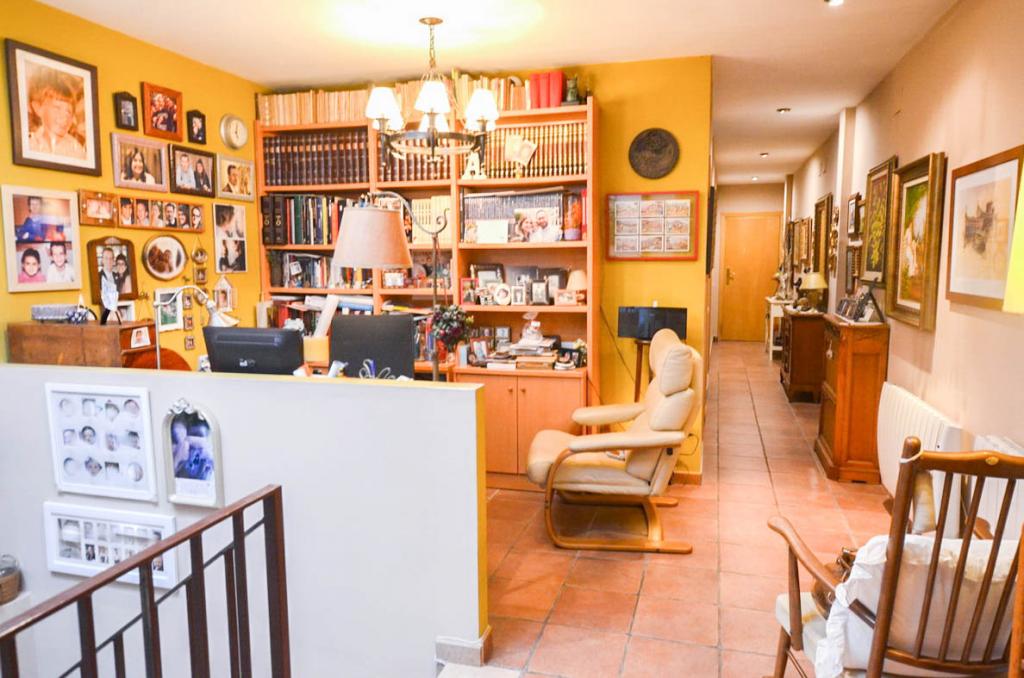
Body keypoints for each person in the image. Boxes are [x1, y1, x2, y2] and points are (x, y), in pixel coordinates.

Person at [27, 70, 86, 159]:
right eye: (57, 108)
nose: (64, 117)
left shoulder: (77, 150)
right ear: (38, 108)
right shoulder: (30, 143)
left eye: (69, 111)